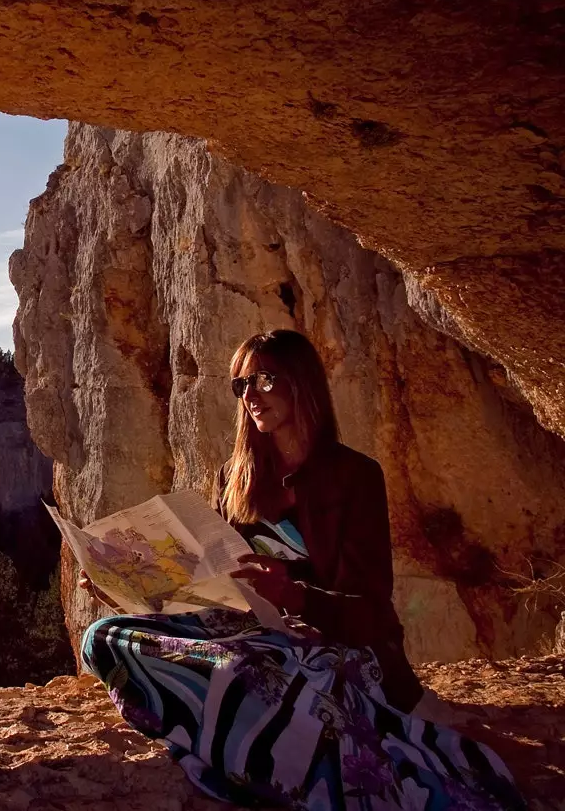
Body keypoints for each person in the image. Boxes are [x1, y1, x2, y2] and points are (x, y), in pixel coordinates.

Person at [77, 329, 524, 810]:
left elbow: (371, 611)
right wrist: (134, 590)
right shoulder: (234, 478)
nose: (250, 395)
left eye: (264, 379)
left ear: (301, 383)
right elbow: (212, 585)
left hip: (334, 647)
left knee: (245, 672)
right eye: (241, 385)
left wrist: (294, 596)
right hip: (250, 634)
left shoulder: (355, 476)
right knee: (105, 636)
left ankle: (253, 736)